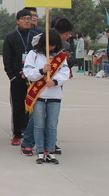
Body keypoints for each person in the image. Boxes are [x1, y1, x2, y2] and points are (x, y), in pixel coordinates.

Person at [23, 30, 70, 164]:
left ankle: (50, 151)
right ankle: (40, 151)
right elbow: (28, 72)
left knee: (52, 126)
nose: (51, 47)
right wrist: (41, 71)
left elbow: (65, 72)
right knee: (39, 125)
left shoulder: (60, 57)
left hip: (54, 95)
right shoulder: (33, 54)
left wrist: (55, 81)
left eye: (53, 45)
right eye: (49, 44)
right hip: (39, 96)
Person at [2, 9, 33, 146]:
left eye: (29, 18)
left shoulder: (36, 37)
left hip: (33, 78)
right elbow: (7, 58)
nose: (26, 21)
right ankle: (17, 133)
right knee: (17, 106)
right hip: (17, 78)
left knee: (31, 106)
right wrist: (12, 76)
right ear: (17, 21)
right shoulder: (11, 37)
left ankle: (29, 132)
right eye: (23, 18)